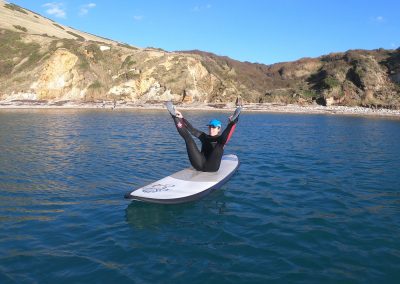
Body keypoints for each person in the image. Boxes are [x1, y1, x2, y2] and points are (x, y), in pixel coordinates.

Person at [166, 101, 241, 172]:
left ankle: (234, 121)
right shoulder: (204, 136)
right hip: (199, 164)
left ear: (219, 129)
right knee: (189, 140)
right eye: (210, 127)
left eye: (213, 127)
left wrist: (231, 123)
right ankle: (174, 116)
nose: (211, 129)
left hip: (212, 167)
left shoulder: (220, 139)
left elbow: (227, 135)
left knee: (220, 144)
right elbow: (192, 130)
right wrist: (182, 119)